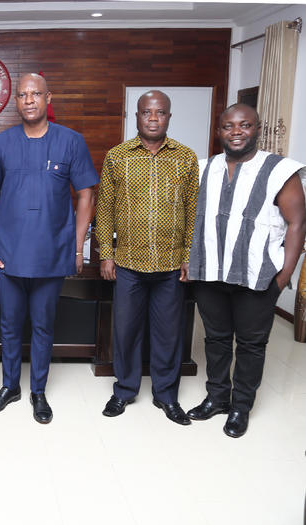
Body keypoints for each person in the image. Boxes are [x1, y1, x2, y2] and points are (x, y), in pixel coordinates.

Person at [0, 73, 98, 424]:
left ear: (48, 98)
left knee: (43, 326)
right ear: (16, 102)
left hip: (51, 253)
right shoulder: (2, 144)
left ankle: (38, 392)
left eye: (36, 94)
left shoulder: (71, 142)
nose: (29, 100)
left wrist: (77, 246)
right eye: (22, 95)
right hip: (8, 253)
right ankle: (10, 386)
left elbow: (87, 194)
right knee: (9, 324)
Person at [187, 103, 306, 438]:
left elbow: (298, 223)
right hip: (210, 272)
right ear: (219, 131)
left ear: (257, 128)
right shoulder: (202, 168)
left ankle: (241, 406)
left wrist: (285, 274)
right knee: (216, 339)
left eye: (244, 125)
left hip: (258, 275)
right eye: (228, 126)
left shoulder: (280, 169)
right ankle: (217, 397)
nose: (236, 132)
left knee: (252, 345)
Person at [96, 90, 198, 426]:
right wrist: (106, 255)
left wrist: (188, 256)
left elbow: (192, 211)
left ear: (169, 117)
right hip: (128, 263)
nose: (153, 118)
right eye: (146, 113)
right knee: (125, 331)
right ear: (136, 117)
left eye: (160, 113)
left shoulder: (186, 158)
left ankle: (167, 396)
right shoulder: (117, 156)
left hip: (170, 265)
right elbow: (105, 209)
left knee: (169, 333)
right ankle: (124, 391)